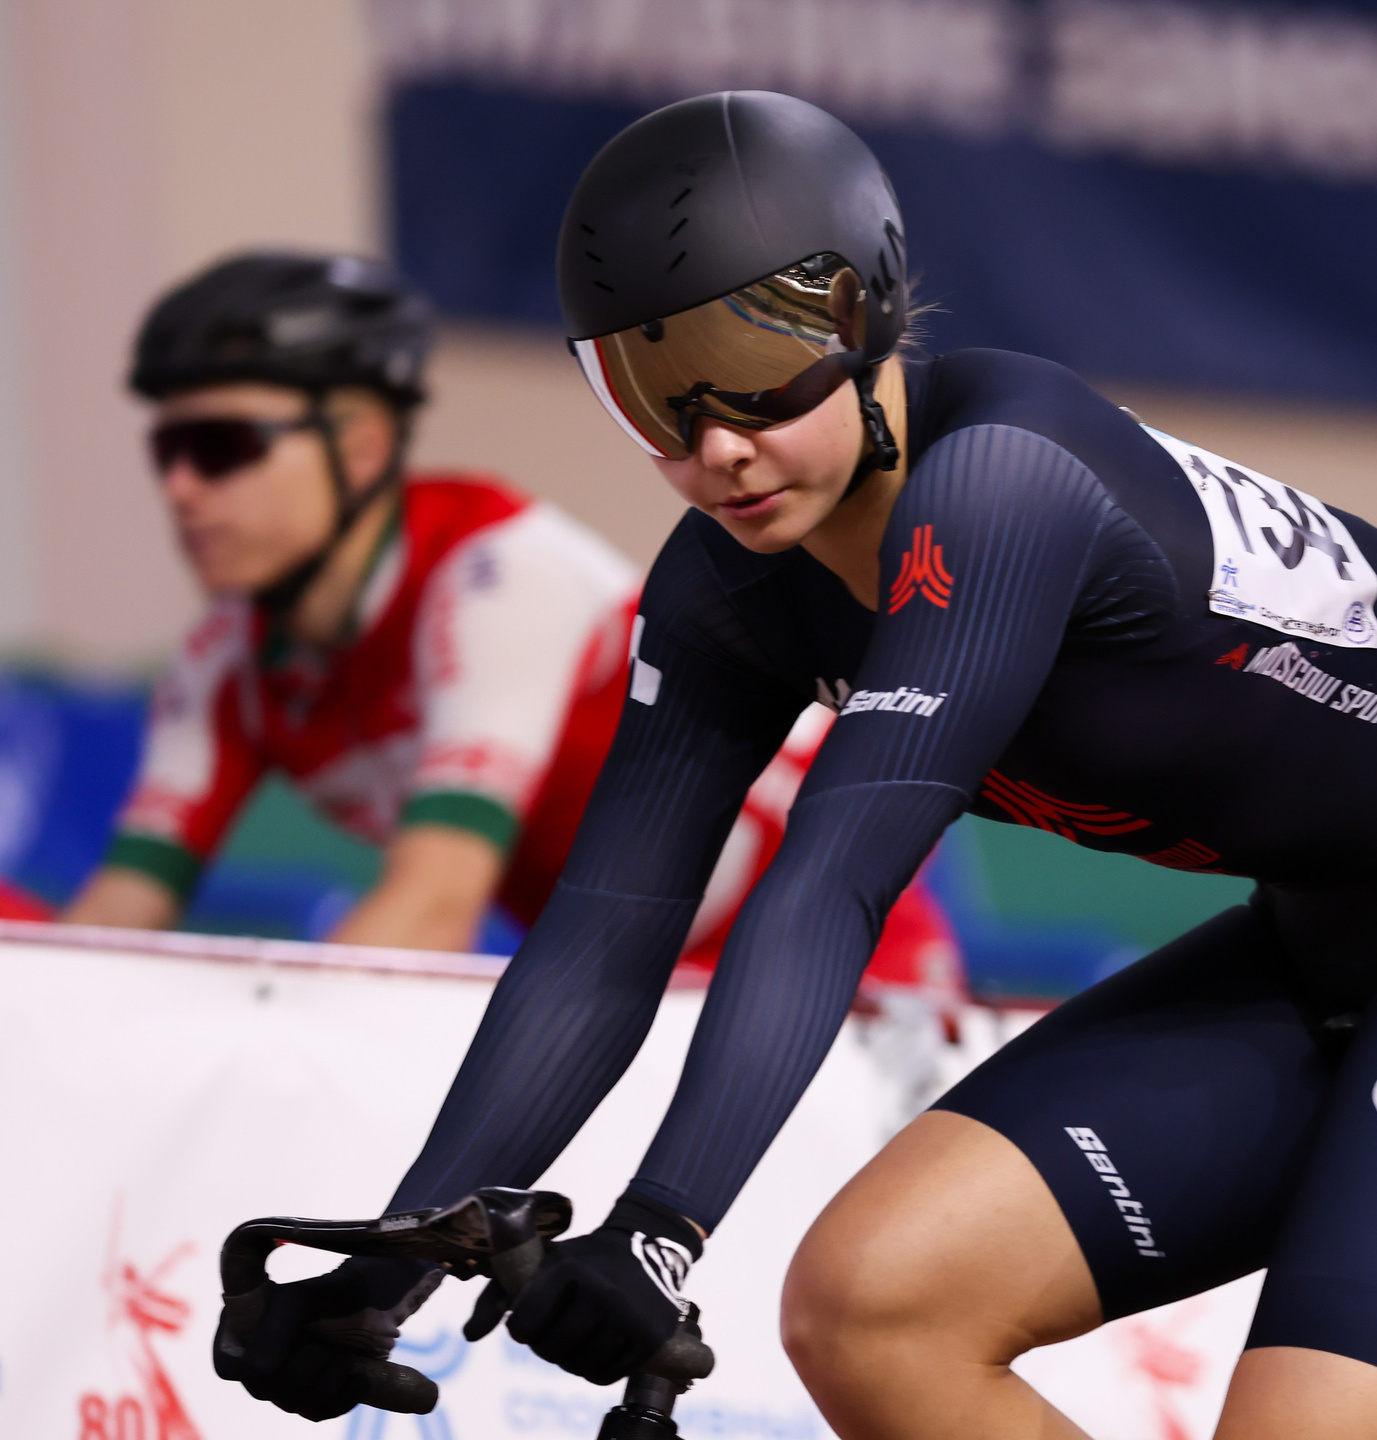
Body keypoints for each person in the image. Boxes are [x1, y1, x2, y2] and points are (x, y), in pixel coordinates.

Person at [210, 91, 1377, 1440]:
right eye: (652, 386)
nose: (716, 438)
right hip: (1344, 928)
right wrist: (396, 1255)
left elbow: (832, 881)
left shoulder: (999, 482)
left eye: (756, 363)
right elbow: (601, 937)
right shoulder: (725, 581)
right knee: (873, 1306)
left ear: (869, 313)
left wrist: (659, 1231)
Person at [63, 251, 957, 975]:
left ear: (363, 444)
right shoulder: (226, 656)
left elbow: (428, 913)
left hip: (841, 957)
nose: (180, 489)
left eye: (221, 447)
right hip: (642, 983)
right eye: (167, 451)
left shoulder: (497, 577)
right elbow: (108, 933)